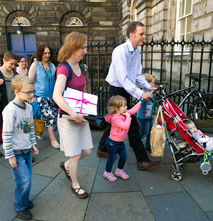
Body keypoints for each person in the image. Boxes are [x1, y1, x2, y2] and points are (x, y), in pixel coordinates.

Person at [97, 21, 160, 170]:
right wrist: (141, 93)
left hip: (127, 89)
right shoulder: (120, 51)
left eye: (144, 34)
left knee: (116, 120)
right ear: (132, 35)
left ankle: (101, 148)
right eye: (141, 34)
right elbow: (123, 79)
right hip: (118, 90)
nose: (144, 36)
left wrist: (148, 87)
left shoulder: (137, 51)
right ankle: (141, 160)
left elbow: (138, 75)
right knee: (131, 124)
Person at [53, 32, 92, 199]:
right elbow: (56, 95)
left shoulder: (81, 67)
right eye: (83, 48)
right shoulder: (63, 68)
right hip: (68, 119)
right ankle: (75, 184)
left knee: (88, 150)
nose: (85, 51)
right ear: (74, 47)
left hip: (80, 116)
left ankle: (67, 165)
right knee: (75, 154)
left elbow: (82, 91)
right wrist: (73, 114)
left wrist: (86, 108)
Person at [2, 75, 39, 220]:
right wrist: (10, 155)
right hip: (16, 152)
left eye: (32, 92)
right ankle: (20, 205)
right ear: (17, 92)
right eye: (28, 92)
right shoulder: (10, 110)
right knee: (23, 180)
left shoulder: (28, 107)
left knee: (27, 178)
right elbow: (6, 135)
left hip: (26, 150)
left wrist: (33, 144)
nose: (31, 95)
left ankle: (23, 200)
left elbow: (30, 128)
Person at [28, 44, 60, 149]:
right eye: (45, 53)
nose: (47, 55)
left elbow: (55, 82)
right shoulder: (35, 65)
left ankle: (38, 133)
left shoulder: (52, 65)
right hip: (39, 96)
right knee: (49, 118)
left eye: (49, 53)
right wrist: (31, 97)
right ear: (40, 53)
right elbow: (30, 81)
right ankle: (53, 140)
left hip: (50, 97)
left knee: (49, 118)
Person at [103, 95, 142, 182]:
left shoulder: (122, 113)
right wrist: (128, 117)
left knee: (124, 157)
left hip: (120, 142)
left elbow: (132, 110)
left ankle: (119, 170)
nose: (126, 107)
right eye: (124, 106)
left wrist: (141, 101)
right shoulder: (115, 118)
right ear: (117, 109)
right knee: (112, 158)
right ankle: (107, 172)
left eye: (125, 105)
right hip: (112, 143)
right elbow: (125, 126)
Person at [138, 73, 156, 150]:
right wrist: (145, 98)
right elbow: (140, 102)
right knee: (145, 132)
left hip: (149, 115)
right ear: (147, 83)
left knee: (151, 132)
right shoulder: (143, 92)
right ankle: (134, 141)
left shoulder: (151, 91)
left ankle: (148, 146)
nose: (154, 84)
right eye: (153, 82)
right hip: (143, 116)